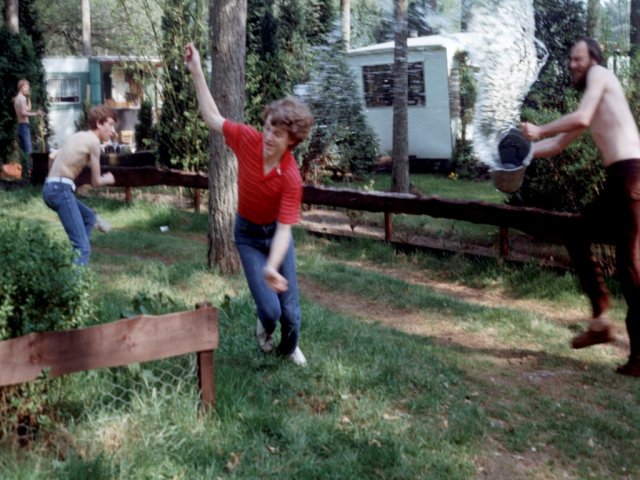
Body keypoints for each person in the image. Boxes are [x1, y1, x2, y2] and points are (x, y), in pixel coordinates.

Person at [184, 42, 314, 366]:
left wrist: (273, 265)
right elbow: (212, 117)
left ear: (291, 141)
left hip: (276, 236)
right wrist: (197, 70)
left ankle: (287, 350)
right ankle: (264, 328)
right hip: (248, 235)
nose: (268, 136)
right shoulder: (247, 139)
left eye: (278, 134)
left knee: (291, 314)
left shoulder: (290, 177)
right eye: (268, 127)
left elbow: (284, 230)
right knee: (270, 310)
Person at [521, 37, 640, 377]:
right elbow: (557, 145)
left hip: (632, 177)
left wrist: (538, 129)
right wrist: (517, 156)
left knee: (630, 266)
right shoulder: (595, 93)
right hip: (619, 179)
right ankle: (600, 320)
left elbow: (582, 118)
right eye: (570, 59)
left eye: (578, 58)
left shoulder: (601, 75)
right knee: (575, 233)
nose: (572, 64)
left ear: (594, 59)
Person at [43, 105, 117, 266]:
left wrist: (54, 179)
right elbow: (96, 181)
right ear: (99, 123)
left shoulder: (77, 136)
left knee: (89, 217)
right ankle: (75, 280)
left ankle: (74, 258)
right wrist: (108, 179)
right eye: (110, 125)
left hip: (49, 187)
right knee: (83, 248)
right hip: (61, 190)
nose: (113, 131)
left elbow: (53, 156)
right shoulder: (94, 142)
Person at [13, 79, 44, 162]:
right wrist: (36, 113)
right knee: (28, 152)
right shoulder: (22, 98)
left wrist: (28, 97)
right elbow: (24, 113)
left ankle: (25, 168)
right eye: (26, 87)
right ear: (21, 87)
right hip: (24, 126)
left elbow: (28, 109)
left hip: (20, 126)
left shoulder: (17, 98)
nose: (28, 89)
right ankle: (28, 169)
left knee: (23, 152)